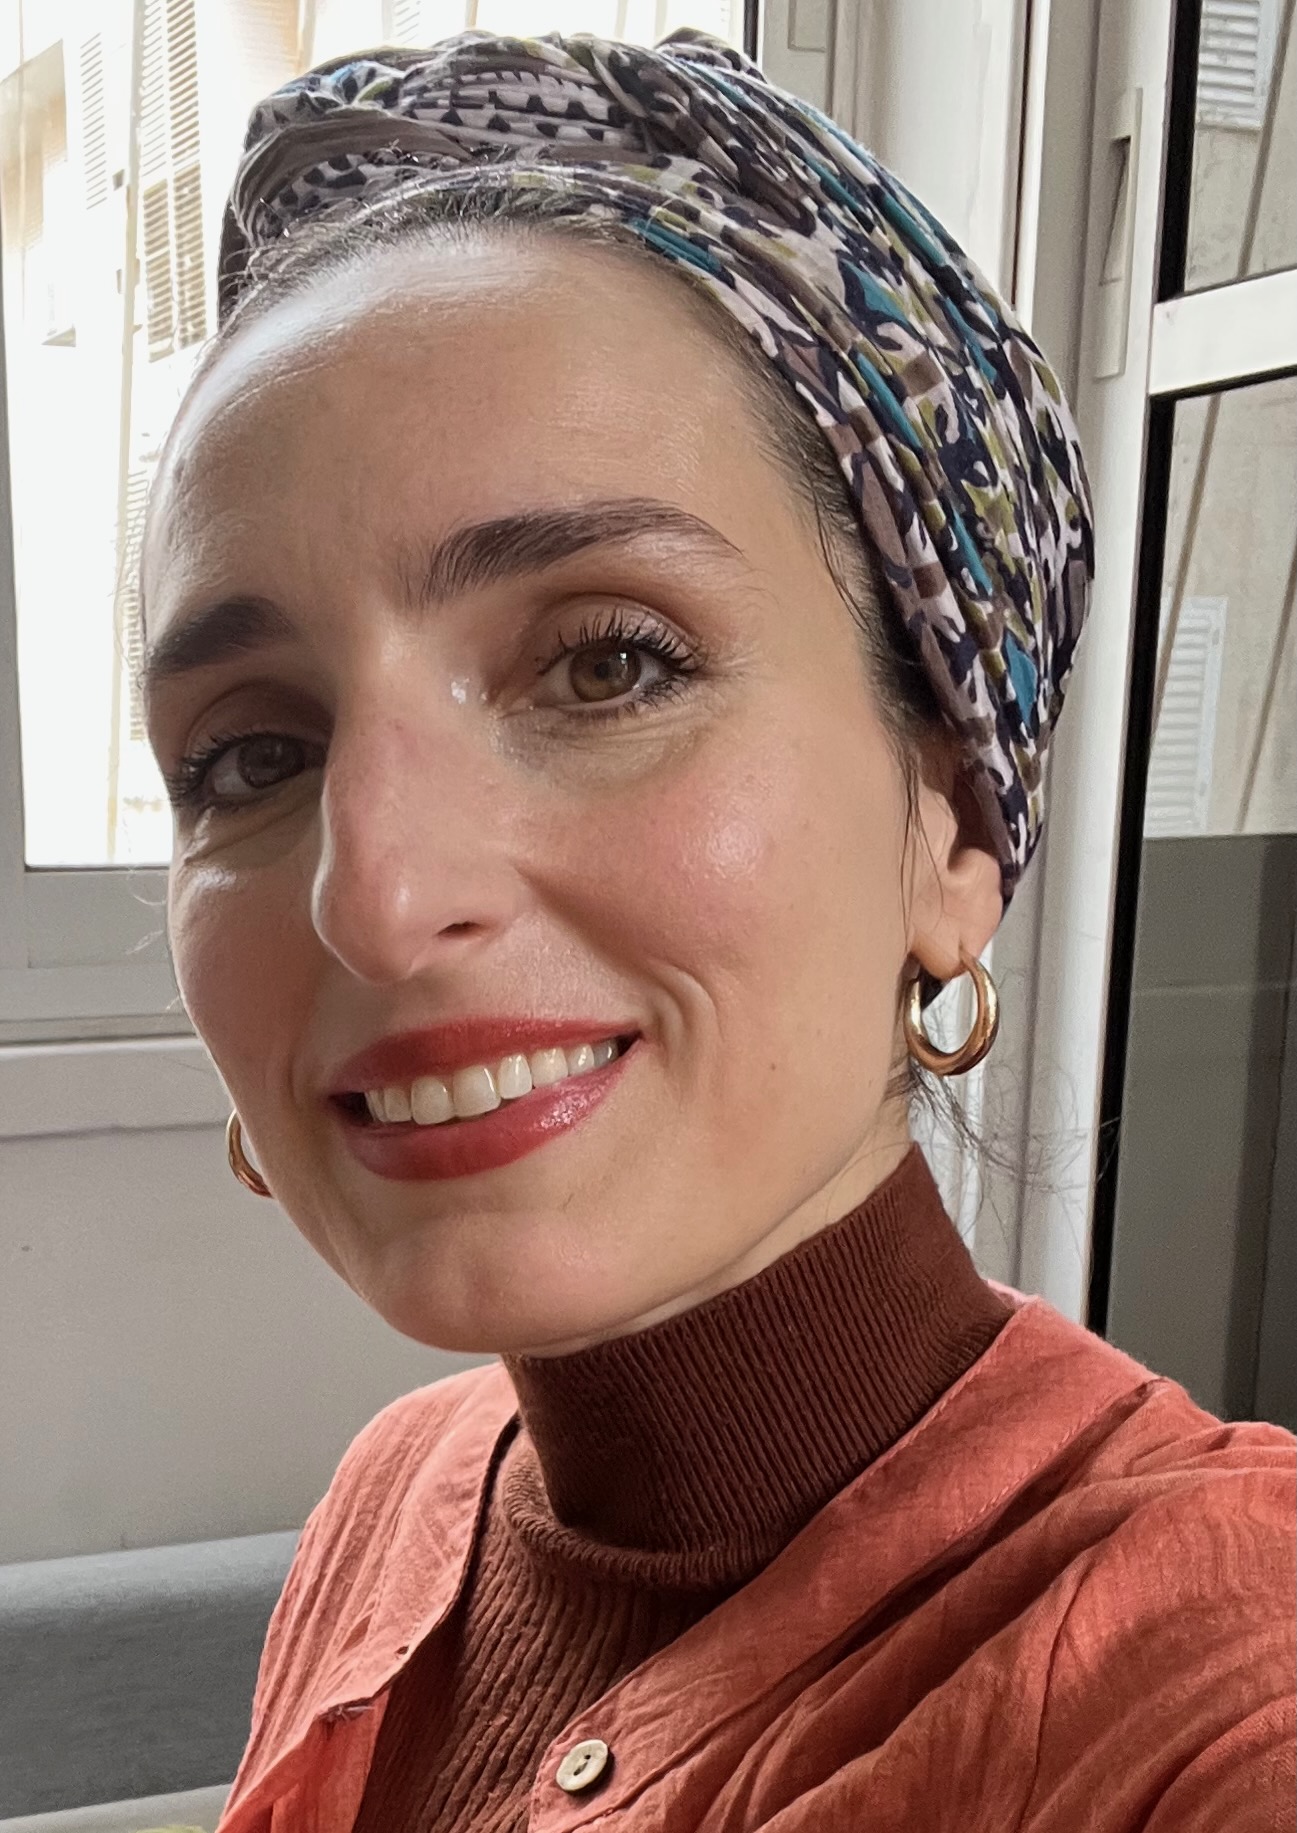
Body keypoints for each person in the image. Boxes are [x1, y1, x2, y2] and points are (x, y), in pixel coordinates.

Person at [137, 28, 1294, 1833]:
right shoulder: (405, 1492)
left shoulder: (1213, 1694)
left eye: (608, 660)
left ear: (952, 829)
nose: (369, 893)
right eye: (254, 752)